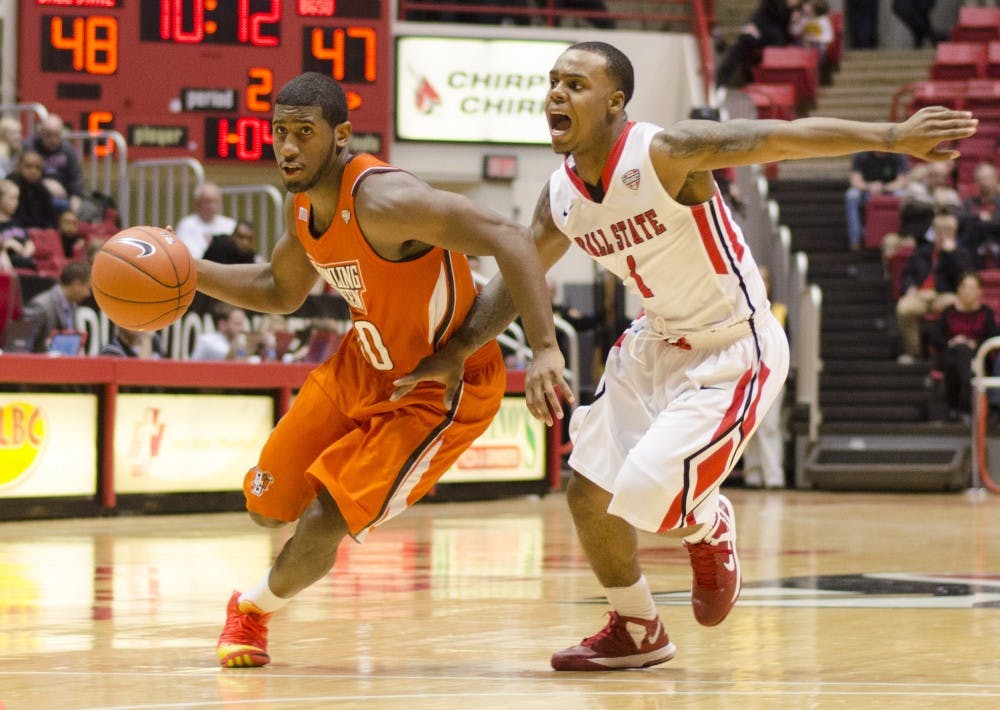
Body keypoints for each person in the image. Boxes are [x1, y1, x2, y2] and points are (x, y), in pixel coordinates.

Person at [392, 41, 977, 671]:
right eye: (553, 82)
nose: (556, 94)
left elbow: (781, 137)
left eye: (576, 85)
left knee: (645, 492)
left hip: (734, 345)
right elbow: (519, 275)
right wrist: (455, 353)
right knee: (589, 495)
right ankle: (637, 627)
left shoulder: (667, 152)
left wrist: (893, 135)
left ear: (616, 102)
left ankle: (709, 522)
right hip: (654, 343)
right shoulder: (559, 197)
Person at [194, 72, 566, 668]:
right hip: (360, 365)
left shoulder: (387, 201)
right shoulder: (305, 207)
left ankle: (252, 611)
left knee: (323, 520)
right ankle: (314, 528)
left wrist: (545, 348)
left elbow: (513, 237)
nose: (287, 147)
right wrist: (191, 271)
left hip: (438, 385)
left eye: (303, 133)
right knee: (268, 504)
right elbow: (278, 288)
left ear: (340, 135)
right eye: (279, 132)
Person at [895, 212, 976, 363]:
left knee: (953, 305)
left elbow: (966, 279)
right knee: (903, 308)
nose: (943, 236)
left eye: (947, 232)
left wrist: (952, 254)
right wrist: (910, 288)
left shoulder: (961, 253)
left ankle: (947, 352)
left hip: (945, 295)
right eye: (940, 232)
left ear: (954, 233)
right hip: (920, 295)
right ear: (934, 233)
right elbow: (908, 275)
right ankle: (914, 352)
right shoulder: (922, 251)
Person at [740, 266, 788, 488]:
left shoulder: (778, 311)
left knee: (769, 426)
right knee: (747, 427)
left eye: (765, 280)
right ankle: (753, 474)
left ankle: (773, 476)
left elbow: (788, 345)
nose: (762, 283)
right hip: (746, 375)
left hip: (772, 376)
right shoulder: (740, 312)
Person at [929, 271, 997, 421]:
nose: (967, 291)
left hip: (978, 357)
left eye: (972, 288)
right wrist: (952, 341)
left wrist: (973, 343)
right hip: (951, 354)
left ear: (979, 291)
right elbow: (935, 336)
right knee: (959, 352)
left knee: (962, 354)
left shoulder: (986, 313)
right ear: (958, 289)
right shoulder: (949, 312)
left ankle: (955, 407)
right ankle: (966, 401)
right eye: (964, 287)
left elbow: (993, 337)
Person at [716, 0, 800, 89]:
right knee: (745, 40)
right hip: (764, 32)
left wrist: (792, 15)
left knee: (776, 45)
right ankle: (721, 81)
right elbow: (761, 14)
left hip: (781, 39)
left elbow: (791, 29)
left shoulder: (800, 8)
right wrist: (753, 24)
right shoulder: (773, 3)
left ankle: (769, 84)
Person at [844, 150, 911, 251]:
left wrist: (883, 187)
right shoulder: (862, 154)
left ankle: (904, 235)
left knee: (903, 195)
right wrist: (869, 187)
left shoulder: (898, 154)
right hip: (866, 191)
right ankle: (855, 238)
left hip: (890, 190)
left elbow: (903, 181)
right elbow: (855, 181)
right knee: (851, 195)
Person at [20, 261, 91, 352]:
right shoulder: (41, 306)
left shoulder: (73, 305)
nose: (88, 294)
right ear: (76, 285)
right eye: (88, 288)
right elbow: (23, 346)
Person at [27, 114, 84, 213]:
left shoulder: (67, 149)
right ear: (41, 133)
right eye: (48, 135)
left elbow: (76, 178)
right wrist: (43, 183)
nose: (53, 140)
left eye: (56, 135)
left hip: (65, 198)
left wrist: (75, 197)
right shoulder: (30, 148)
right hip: (35, 197)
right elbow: (22, 175)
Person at [174, 182, 237, 259]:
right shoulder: (186, 225)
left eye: (215, 201)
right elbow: (186, 254)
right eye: (207, 201)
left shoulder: (230, 225)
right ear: (197, 203)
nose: (212, 206)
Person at [7, 150, 58, 229]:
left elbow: (51, 217)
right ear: (18, 167)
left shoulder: (41, 187)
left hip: (40, 232)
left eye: (38, 168)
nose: (34, 171)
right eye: (28, 166)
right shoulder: (9, 186)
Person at [0, 178, 37, 271]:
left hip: (26, 262)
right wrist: (7, 244)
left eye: (17, 198)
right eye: (12, 198)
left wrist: (25, 251)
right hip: (8, 263)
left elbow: (30, 243)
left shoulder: (17, 222)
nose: (16, 203)